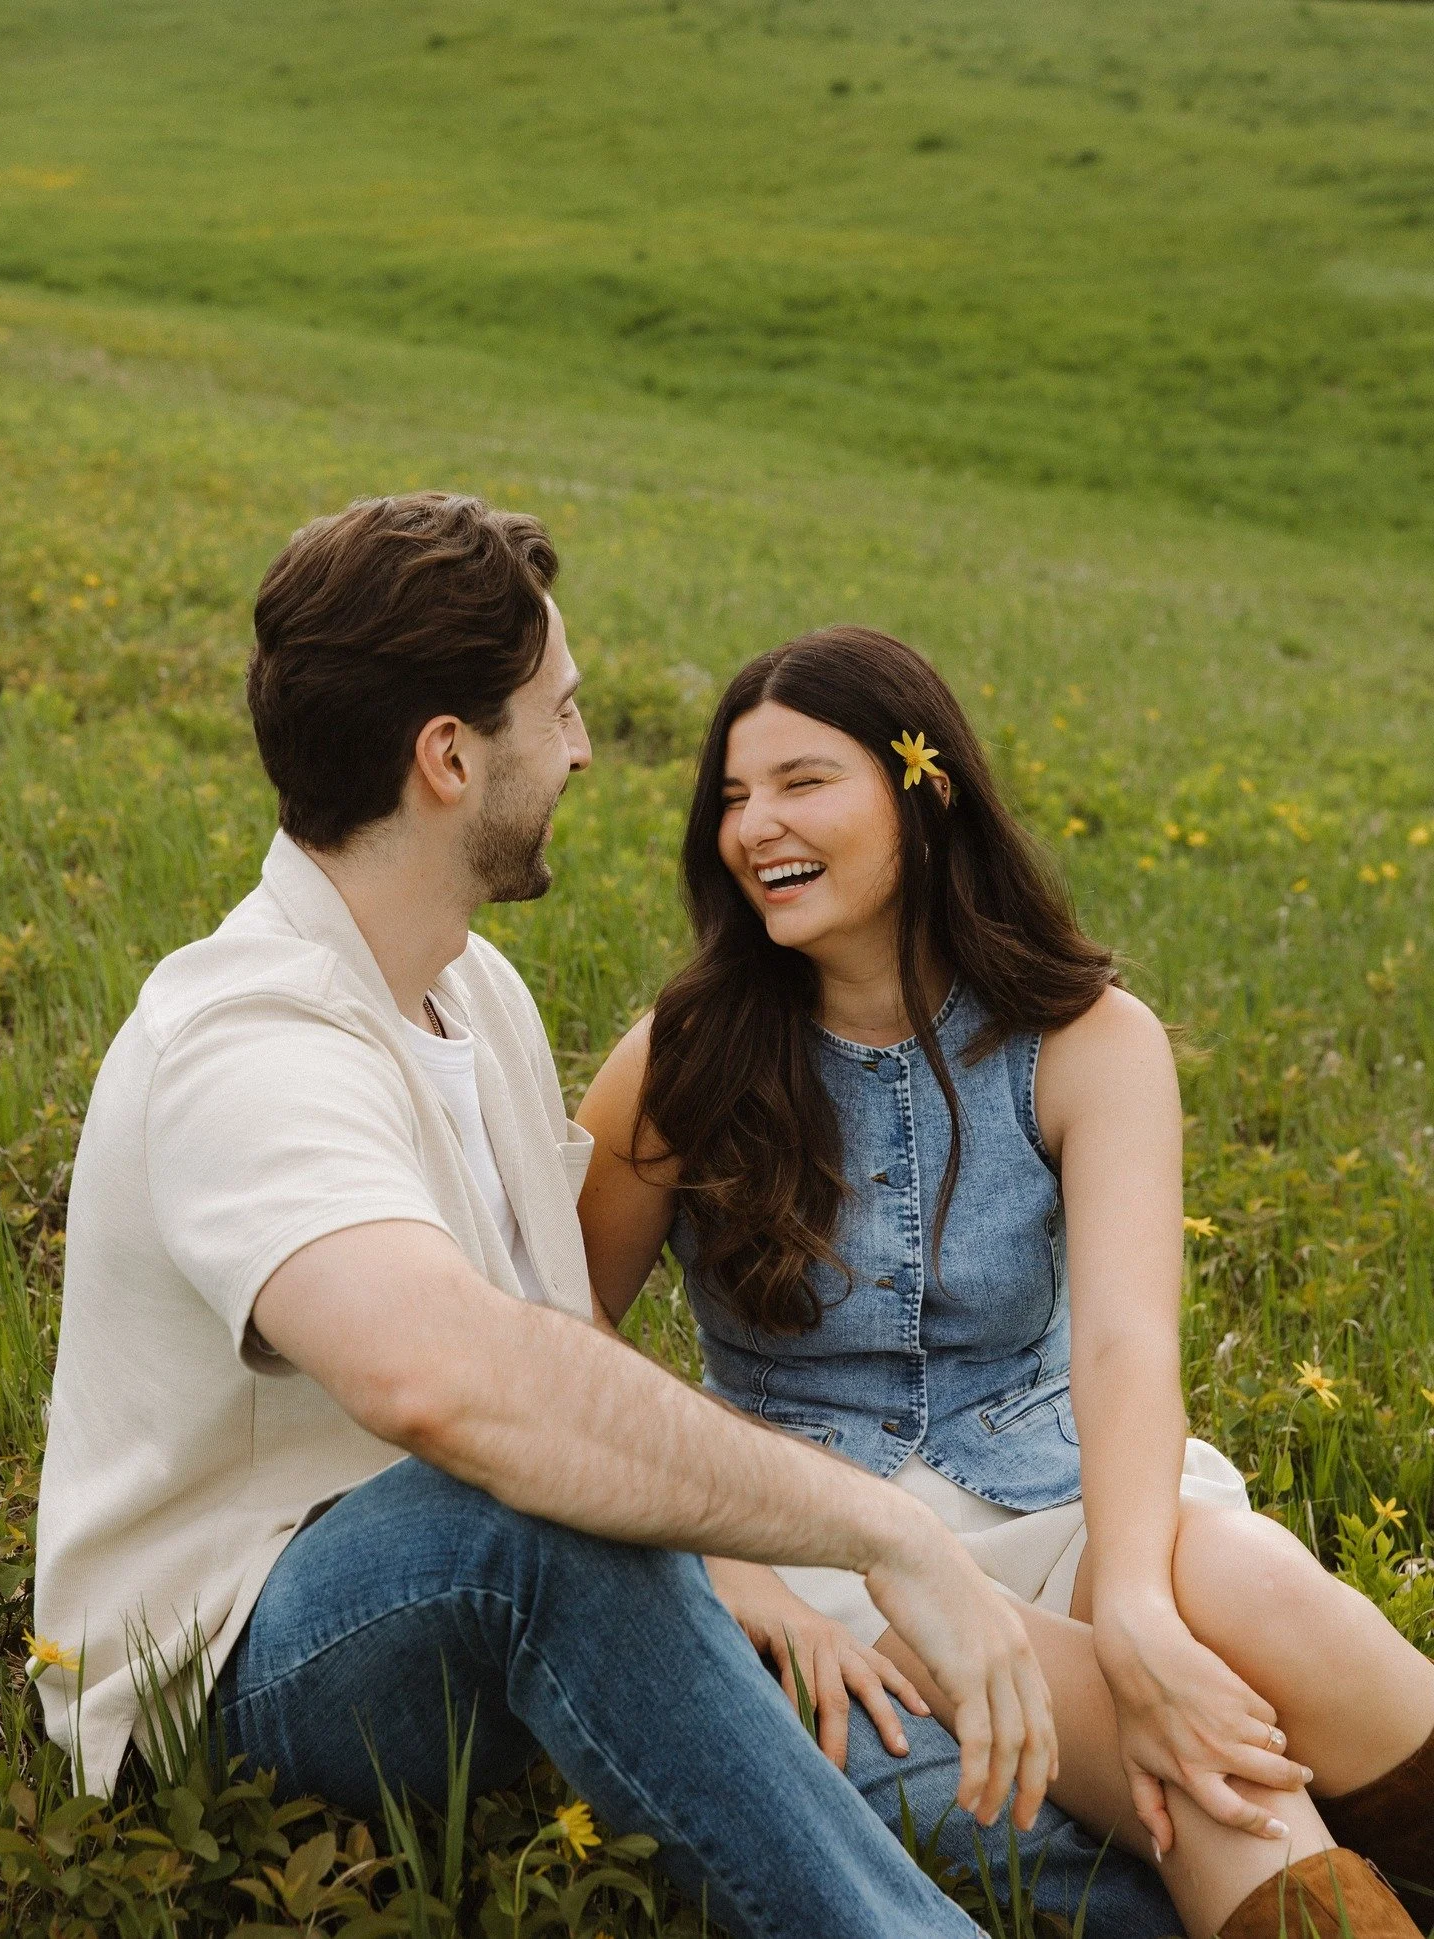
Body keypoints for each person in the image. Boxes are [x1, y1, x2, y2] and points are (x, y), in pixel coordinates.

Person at [35, 493, 1178, 1939]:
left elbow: (564, 1340)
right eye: (561, 712)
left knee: (929, 1762)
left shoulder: (475, 993)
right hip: (236, 1665)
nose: (583, 748)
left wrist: (747, 1577)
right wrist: (882, 1531)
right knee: (525, 1521)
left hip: (529, 1601)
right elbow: (454, 1386)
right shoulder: (248, 1043)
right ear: (449, 756)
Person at [576, 626, 1434, 1939]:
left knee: (1246, 1584)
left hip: (1060, 1488)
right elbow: (564, 1332)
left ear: (923, 795)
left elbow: (1128, 1347)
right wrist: (730, 1568)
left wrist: (1137, 1609)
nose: (755, 827)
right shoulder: (679, 1058)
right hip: (829, 1543)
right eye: (734, 797)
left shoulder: (1088, 1038)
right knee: (1206, 1782)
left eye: (804, 781)